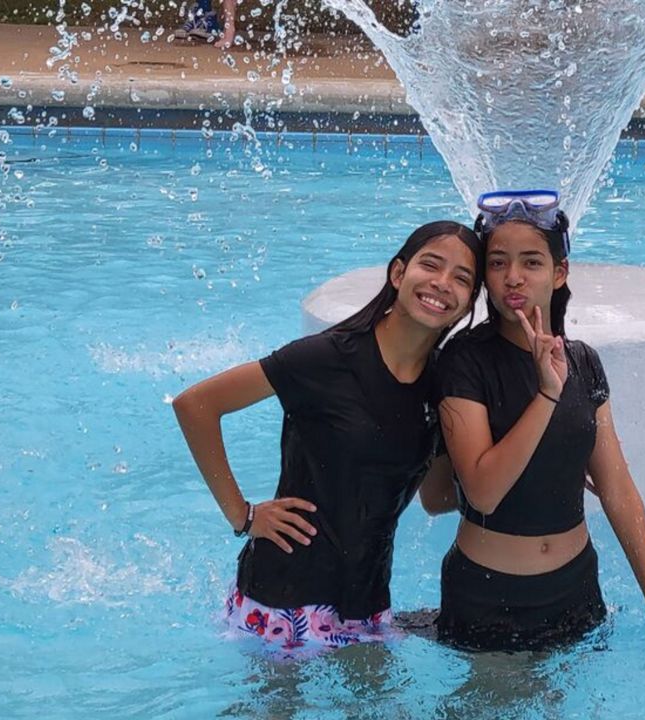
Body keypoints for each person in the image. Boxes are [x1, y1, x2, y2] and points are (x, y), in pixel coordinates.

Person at [172, 221, 482, 656]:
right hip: (282, 600)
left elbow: (434, 498)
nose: (442, 284)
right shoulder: (325, 357)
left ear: (469, 301)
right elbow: (196, 405)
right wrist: (242, 515)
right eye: (430, 265)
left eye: (462, 278)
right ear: (398, 274)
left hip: (366, 603)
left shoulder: (441, 385)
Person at [428, 189, 645, 652]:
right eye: (498, 263)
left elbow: (617, 487)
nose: (514, 277)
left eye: (531, 262)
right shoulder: (464, 360)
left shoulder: (584, 361)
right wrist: (547, 395)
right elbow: (484, 493)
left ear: (559, 273)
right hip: (490, 596)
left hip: (576, 591)